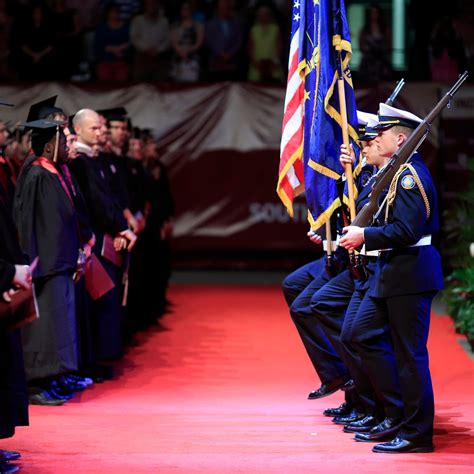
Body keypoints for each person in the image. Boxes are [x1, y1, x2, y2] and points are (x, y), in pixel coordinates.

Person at [340, 103, 443, 453]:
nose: (373, 140)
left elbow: (406, 229)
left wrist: (365, 237)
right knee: (368, 337)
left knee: (411, 357)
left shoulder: (410, 176)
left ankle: (417, 433)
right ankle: (394, 415)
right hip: (396, 272)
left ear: (400, 139)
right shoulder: (397, 174)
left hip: (410, 272)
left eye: (380, 134)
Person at [13, 113, 82, 405]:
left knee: (58, 325)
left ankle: (52, 377)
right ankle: (35, 383)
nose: (68, 144)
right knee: (42, 329)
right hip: (44, 263)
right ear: (51, 143)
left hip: (59, 261)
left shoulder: (53, 171)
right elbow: (26, 220)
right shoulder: (37, 173)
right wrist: (30, 260)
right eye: (64, 140)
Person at [130, 0, 170, 81]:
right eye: (149, 4)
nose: (152, 6)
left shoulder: (164, 21)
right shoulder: (137, 20)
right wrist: (146, 49)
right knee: (139, 88)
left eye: (154, 4)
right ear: (145, 6)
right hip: (141, 59)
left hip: (159, 59)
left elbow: (168, 40)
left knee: (159, 88)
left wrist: (158, 50)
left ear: (158, 5)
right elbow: (134, 38)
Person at [205, 0, 243, 81]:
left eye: (227, 8)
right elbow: (209, 41)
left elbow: (239, 41)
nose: (225, 10)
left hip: (231, 63)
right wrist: (219, 53)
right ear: (218, 9)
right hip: (215, 63)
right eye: (222, 7)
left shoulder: (236, 24)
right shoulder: (210, 24)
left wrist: (229, 54)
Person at [94, 3, 131, 81]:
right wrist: (114, 49)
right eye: (113, 12)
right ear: (107, 14)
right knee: (104, 76)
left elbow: (129, 43)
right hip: (105, 61)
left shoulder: (126, 28)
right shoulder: (101, 28)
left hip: (121, 61)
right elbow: (98, 46)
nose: (115, 14)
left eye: (117, 12)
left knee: (121, 77)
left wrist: (122, 50)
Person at [170, 1, 204, 83]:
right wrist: (181, 52)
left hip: (192, 59)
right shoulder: (175, 25)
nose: (185, 11)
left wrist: (188, 51)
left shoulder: (198, 25)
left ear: (191, 10)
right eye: (183, 9)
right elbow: (173, 42)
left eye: (187, 9)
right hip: (178, 58)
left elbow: (199, 43)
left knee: (191, 85)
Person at [247, 5, 283, 83]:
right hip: (256, 68)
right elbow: (249, 48)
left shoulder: (275, 29)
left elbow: (279, 47)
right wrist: (256, 64)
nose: (263, 17)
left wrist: (275, 63)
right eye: (261, 15)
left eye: (266, 14)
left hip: (273, 68)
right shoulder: (254, 30)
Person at [358, 4, 391, 84]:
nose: (374, 15)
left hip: (381, 62)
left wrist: (381, 50)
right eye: (372, 13)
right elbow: (361, 45)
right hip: (368, 63)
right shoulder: (365, 29)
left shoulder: (384, 29)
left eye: (376, 13)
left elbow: (388, 44)